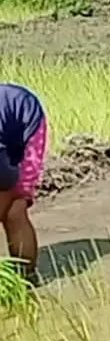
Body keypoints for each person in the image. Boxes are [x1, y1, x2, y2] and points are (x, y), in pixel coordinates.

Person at [0, 84, 47, 283]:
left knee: (14, 209)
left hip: (28, 129)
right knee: (14, 211)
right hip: (14, 121)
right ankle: (26, 278)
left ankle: (25, 278)